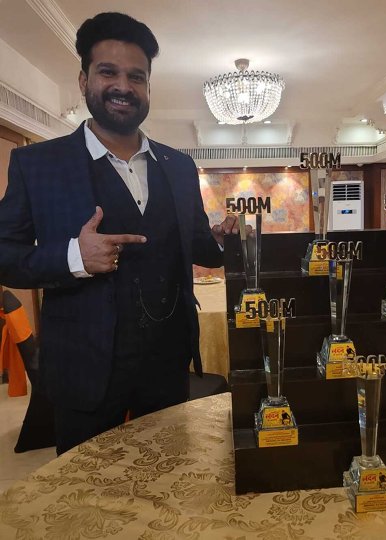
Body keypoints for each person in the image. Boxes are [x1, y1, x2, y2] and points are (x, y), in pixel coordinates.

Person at [0, 12, 238, 455]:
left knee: (168, 477)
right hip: (83, 367)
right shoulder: (37, 164)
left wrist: (221, 239)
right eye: (108, 72)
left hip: (168, 363)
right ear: (84, 80)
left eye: (136, 76)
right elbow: (4, 254)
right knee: (87, 487)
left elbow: (198, 245)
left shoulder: (179, 166)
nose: (123, 86)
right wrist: (74, 256)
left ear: (148, 86)